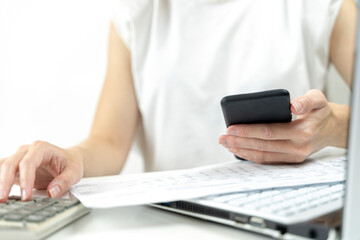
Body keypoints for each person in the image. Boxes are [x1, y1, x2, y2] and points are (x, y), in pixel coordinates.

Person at [0, 0, 356, 202]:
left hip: (289, 214)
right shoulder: (137, 13)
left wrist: (335, 127)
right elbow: (109, 142)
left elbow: (337, 124)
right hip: (173, 219)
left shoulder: (317, 6)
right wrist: (72, 160)